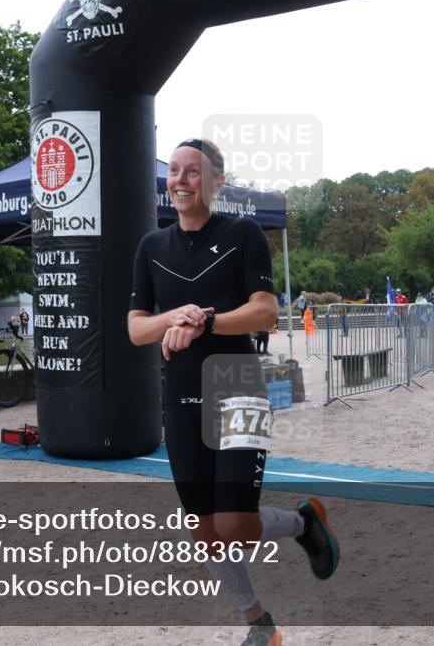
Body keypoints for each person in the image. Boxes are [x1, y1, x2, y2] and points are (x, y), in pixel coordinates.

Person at [127, 138, 338, 646]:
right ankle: (260, 627)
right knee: (204, 531)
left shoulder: (243, 233)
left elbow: (265, 310)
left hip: (236, 383)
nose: (179, 180)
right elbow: (136, 329)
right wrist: (174, 318)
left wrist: (205, 320)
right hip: (179, 393)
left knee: (237, 525)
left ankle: (303, 524)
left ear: (217, 181)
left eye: (192, 172)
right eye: (173, 172)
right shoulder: (151, 246)